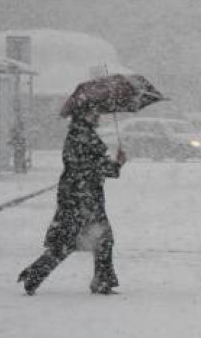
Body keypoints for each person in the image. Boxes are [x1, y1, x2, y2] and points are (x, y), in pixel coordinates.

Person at [17, 107, 127, 295]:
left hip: (79, 195)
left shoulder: (81, 133)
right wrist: (116, 164)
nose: (98, 116)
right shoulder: (82, 135)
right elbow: (90, 166)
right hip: (82, 197)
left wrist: (113, 164)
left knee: (73, 241)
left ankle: (35, 275)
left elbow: (90, 165)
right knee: (95, 239)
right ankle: (100, 281)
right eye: (94, 112)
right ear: (83, 114)